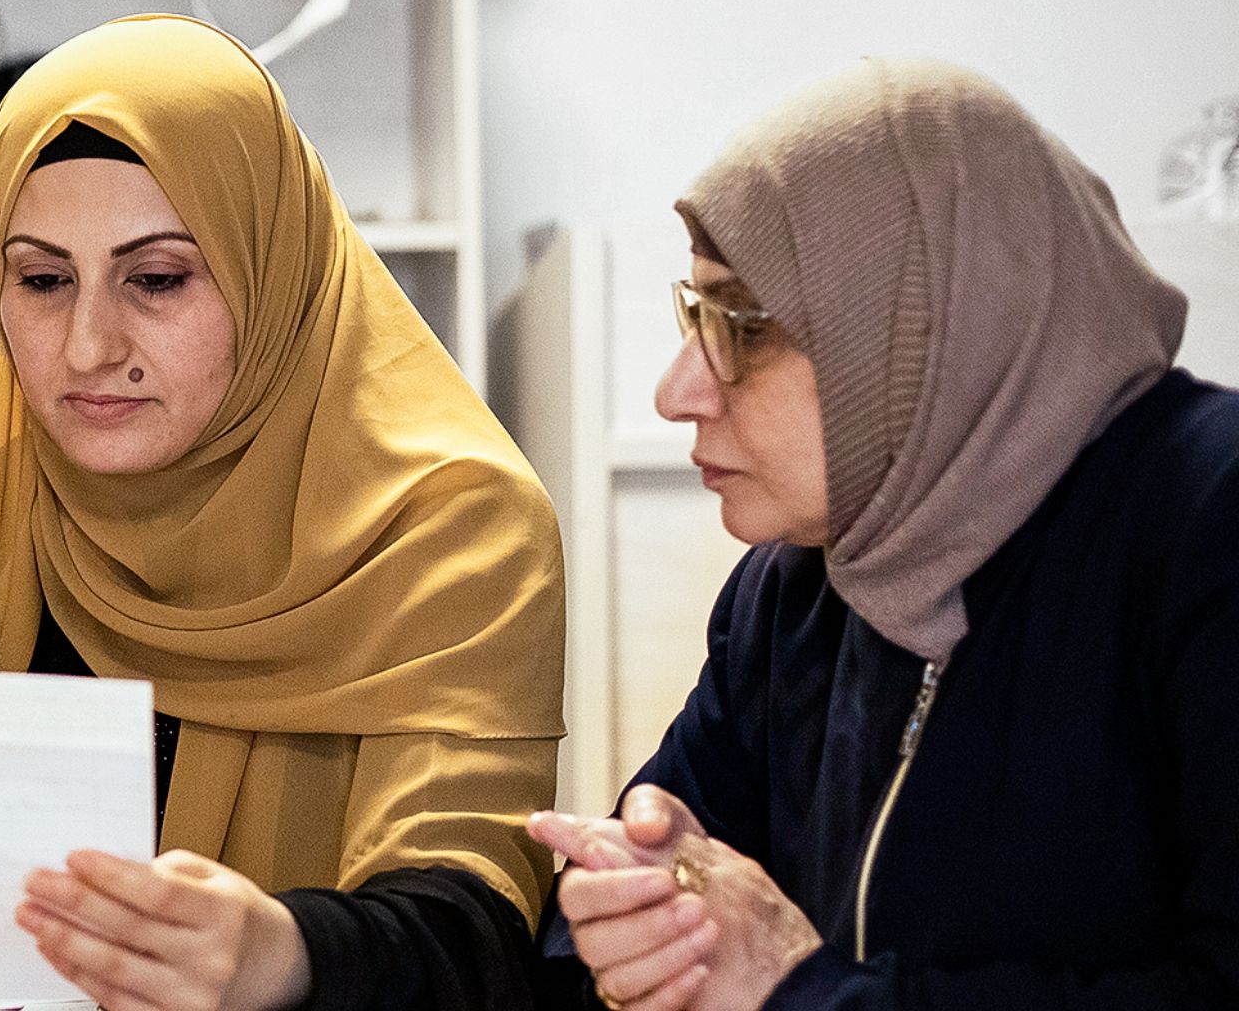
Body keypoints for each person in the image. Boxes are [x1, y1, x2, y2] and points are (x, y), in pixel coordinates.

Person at [530, 57, 1239, 1011]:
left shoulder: (1208, 521)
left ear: (920, 323)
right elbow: (602, 917)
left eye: (742, 324)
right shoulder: (794, 584)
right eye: (694, 312)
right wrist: (620, 922)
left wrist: (798, 989)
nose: (675, 393)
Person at [0, 14, 566, 1010]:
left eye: (159, 278)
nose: (88, 346)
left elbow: (474, 925)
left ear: (271, 271)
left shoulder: (450, 528)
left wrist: (286, 952)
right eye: (43, 279)